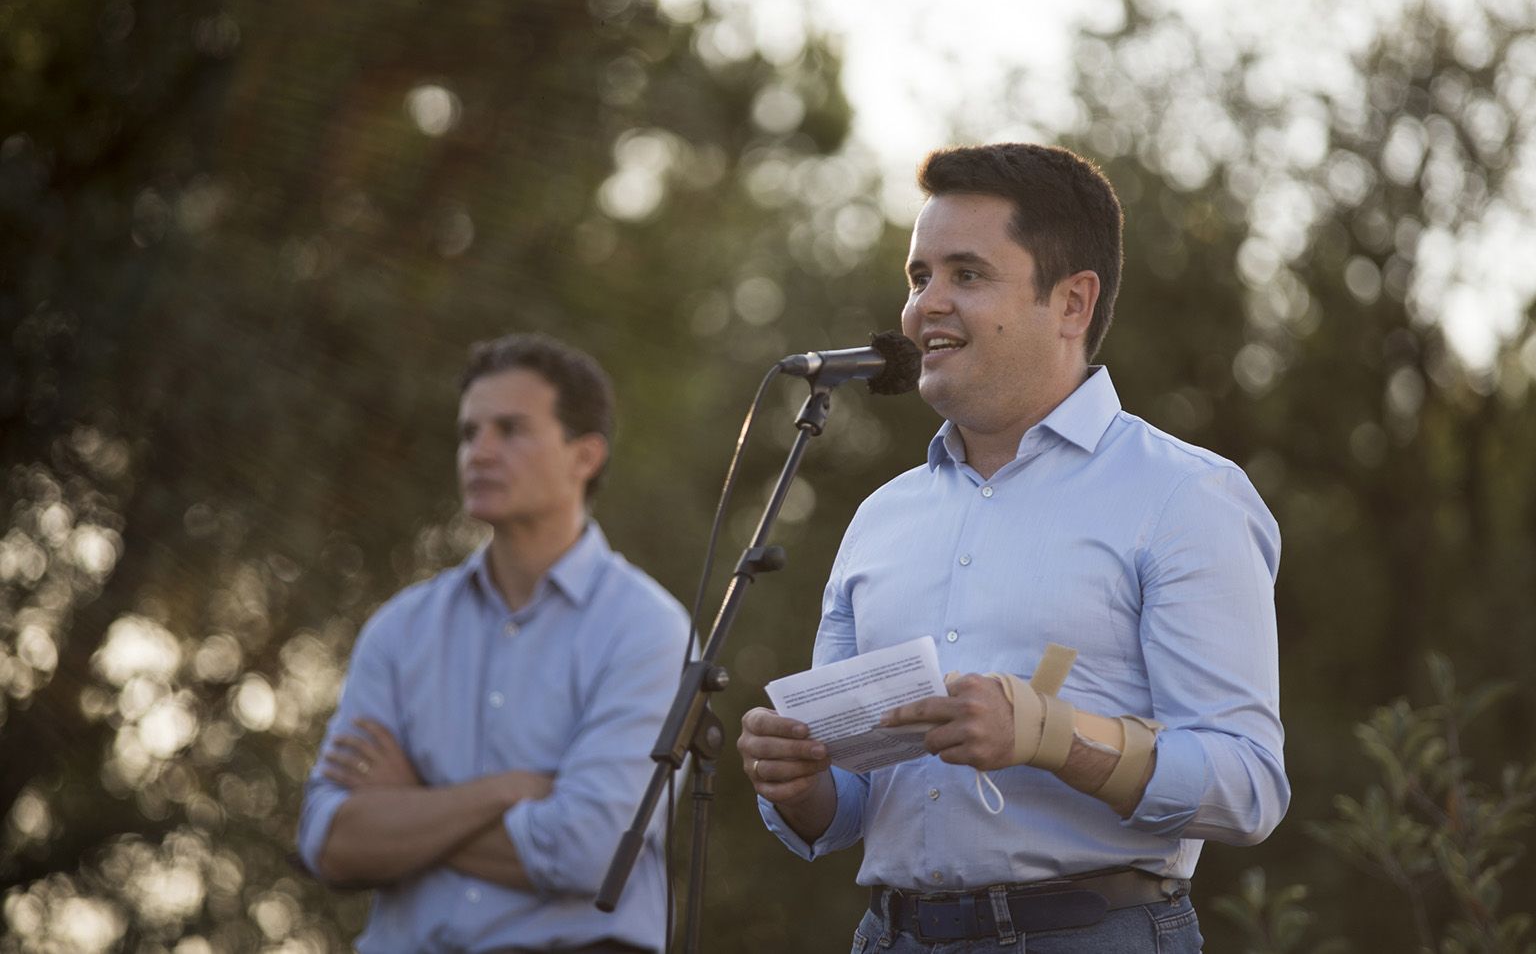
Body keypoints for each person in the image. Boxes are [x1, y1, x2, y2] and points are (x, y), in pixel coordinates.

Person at [736, 143, 1288, 952]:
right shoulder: (881, 519)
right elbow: (850, 803)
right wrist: (800, 782)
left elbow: (1247, 786)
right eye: (918, 277)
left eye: (967, 274)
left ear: (1071, 302)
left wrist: (1049, 736)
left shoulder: (1184, 497)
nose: (926, 306)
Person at [298, 333, 691, 954]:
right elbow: (330, 843)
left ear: (584, 456)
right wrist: (505, 791)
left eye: (510, 430)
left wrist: (408, 807)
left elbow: (591, 853)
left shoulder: (648, 629)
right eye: (467, 432)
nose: (478, 452)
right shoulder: (400, 628)